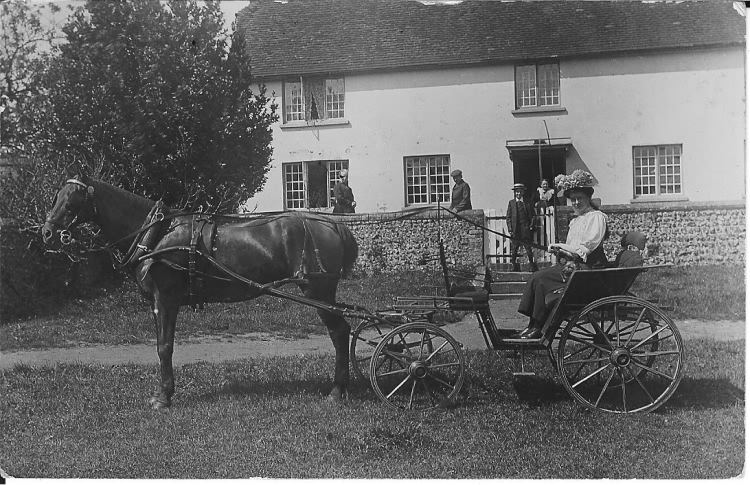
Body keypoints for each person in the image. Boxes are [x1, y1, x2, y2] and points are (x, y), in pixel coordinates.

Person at [515, 170, 608, 339]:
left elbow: (585, 249)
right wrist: (561, 250)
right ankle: (533, 324)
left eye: (579, 198)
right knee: (536, 276)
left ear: (588, 198)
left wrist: (560, 245)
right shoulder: (576, 220)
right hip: (575, 267)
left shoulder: (596, 217)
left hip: (589, 270)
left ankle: (538, 326)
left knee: (542, 280)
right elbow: (573, 249)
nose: (576, 202)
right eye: (573, 199)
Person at [506, 183, 538, 272]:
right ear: (515, 193)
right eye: (517, 192)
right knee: (514, 249)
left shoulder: (527, 202)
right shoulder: (511, 203)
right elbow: (508, 217)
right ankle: (513, 265)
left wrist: (531, 225)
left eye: (520, 192)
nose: (518, 194)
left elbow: (533, 215)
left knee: (528, 248)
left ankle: (532, 265)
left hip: (525, 228)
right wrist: (510, 229)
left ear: (523, 192)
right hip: (516, 229)